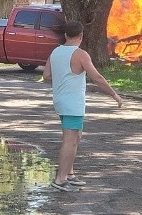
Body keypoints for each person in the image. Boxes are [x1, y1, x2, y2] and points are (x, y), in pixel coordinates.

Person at [42, 20, 122, 192]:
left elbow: (46, 75)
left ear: (65, 35)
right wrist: (114, 94)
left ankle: (69, 173)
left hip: (61, 101)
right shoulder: (80, 54)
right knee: (70, 141)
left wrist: (63, 76)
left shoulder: (55, 52)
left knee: (76, 136)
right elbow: (98, 78)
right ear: (81, 36)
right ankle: (60, 179)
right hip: (73, 104)